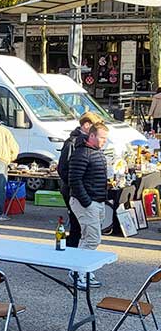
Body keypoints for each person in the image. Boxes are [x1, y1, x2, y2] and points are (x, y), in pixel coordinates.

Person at [67, 122, 109, 289]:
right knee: (92, 238)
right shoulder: (82, 153)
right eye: (102, 137)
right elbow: (74, 180)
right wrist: (87, 202)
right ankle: (77, 272)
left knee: (88, 238)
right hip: (86, 202)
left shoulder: (95, 153)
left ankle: (84, 270)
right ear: (92, 136)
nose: (104, 141)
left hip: (95, 201)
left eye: (106, 138)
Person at [58, 111, 103, 247]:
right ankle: (72, 259)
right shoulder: (72, 143)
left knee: (81, 228)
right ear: (86, 125)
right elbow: (64, 169)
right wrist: (80, 192)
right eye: (94, 127)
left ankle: (73, 257)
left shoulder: (84, 143)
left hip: (80, 191)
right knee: (77, 228)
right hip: (74, 192)